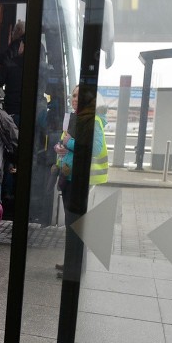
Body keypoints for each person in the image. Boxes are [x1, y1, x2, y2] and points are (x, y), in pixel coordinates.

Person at [53, 86, 108, 278]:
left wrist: (68, 144)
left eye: (77, 96)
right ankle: (73, 263)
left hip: (79, 179)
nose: (73, 98)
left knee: (75, 225)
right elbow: (66, 142)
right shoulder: (74, 118)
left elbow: (95, 148)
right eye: (73, 95)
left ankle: (74, 268)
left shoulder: (93, 120)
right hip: (69, 177)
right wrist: (60, 148)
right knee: (72, 224)